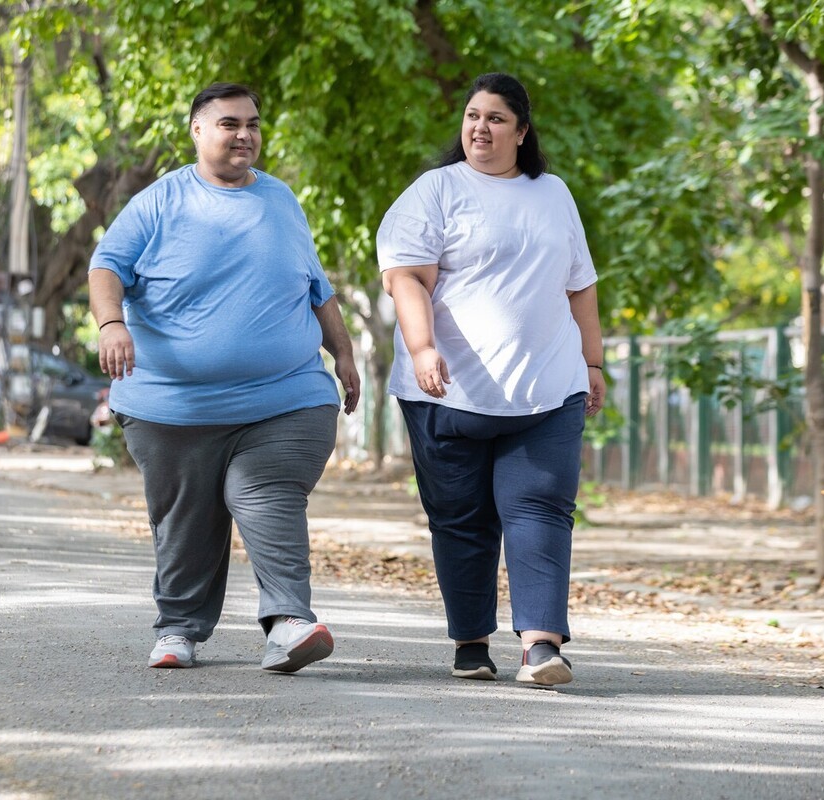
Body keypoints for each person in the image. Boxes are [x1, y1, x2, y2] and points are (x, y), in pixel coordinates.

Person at [89, 82, 360, 672]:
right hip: (172, 406)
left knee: (261, 490)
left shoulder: (281, 199)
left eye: (254, 125)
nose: (245, 135)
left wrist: (343, 355)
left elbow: (317, 287)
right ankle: (178, 629)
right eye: (230, 124)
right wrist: (112, 324)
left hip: (287, 397)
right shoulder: (160, 201)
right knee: (188, 518)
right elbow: (106, 264)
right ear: (197, 131)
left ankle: (289, 622)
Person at [376, 72, 605, 687]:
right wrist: (422, 348)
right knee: (461, 517)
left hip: (546, 388)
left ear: (522, 131)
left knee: (540, 510)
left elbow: (579, 286)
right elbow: (406, 279)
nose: (481, 127)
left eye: (497, 118)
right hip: (448, 391)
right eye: (473, 115)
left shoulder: (553, 193)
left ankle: (541, 646)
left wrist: (592, 363)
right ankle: (471, 643)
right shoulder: (437, 191)